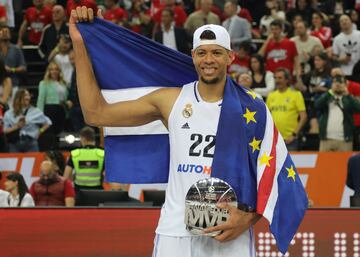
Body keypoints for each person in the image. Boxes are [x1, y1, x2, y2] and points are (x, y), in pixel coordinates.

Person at [71, 8, 263, 256]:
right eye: (202, 53)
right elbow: (95, 114)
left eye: (217, 53)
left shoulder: (252, 108)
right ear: (192, 56)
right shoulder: (170, 101)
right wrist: (79, 44)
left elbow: (273, 175)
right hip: (175, 231)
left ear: (231, 57)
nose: (208, 60)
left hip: (230, 232)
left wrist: (247, 219)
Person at [315, 74, 360, 151]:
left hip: (345, 141)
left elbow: (358, 108)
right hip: (326, 140)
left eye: (341, 82)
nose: (338, 84)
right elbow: (317, 105)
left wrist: (348, 95)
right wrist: (330, 92)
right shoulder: (327, 97)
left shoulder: (349, 99)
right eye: (335, 82)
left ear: (345, 85)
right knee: (324, 163)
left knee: (344, 163)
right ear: (331, 85)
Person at [266, 68, 307, 151]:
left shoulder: (296, 94)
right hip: (274, 140)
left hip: (290, 140)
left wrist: (294, 134)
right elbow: (267, 117)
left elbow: (304, 116)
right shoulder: (271, 96)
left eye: (280, 78)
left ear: (287, 80)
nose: (277, 81)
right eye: (275, 78)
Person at [36, 61, 68, 137]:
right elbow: (40, 100)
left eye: (56, 69)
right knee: (50, 133)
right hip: (50, 110)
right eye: (52, 69)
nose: (54, 71)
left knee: (60, 133)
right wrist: (40, 115)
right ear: (49, 71)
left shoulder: (63, 83)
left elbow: (65, 98)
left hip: (61, 109)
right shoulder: (43, 83)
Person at [0, 25, 26, 97]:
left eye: (6, 31)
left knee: (13, 107)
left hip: (13, 84)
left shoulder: (16, 49)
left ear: (10, 35)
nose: (5, 33)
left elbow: (23, 67)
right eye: (2, 31)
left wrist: (12, 69)